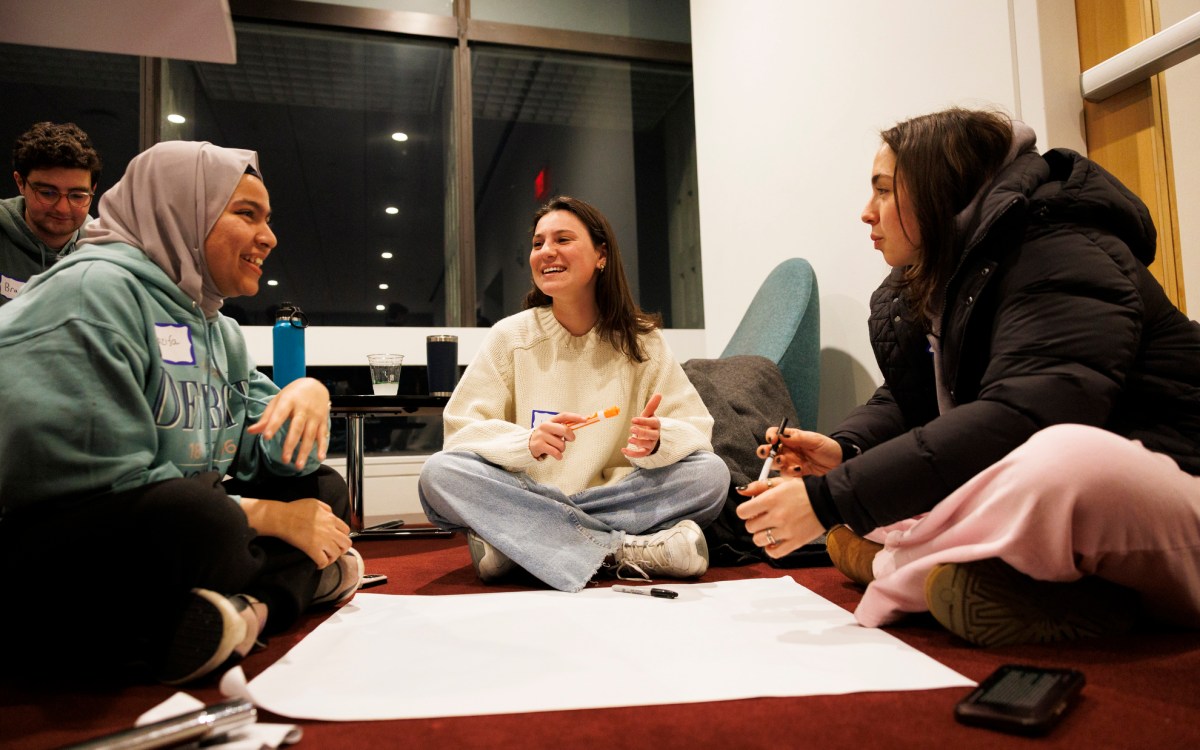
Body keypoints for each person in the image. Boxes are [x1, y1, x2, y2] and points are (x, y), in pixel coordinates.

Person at [735, 107, 1200, 647]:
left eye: (883, 190)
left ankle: (903, 561)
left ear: (939, 191)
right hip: (1106, 520)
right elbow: (913, 400)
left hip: (1180, 489)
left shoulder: (1061, 252)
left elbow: (1021, 419)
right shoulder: (947, 278)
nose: (867, 212)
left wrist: (829, 501)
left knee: (1064, 459)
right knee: (921, 481)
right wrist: (846, 450)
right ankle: (971, 572)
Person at [0, 141, 363, 685]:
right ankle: (289, 588)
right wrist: (263, 516)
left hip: (173, 522)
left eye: (268, 219)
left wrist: (309, 394)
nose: (270, 236)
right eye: (247, 214)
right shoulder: (91, 291)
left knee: (321, 488)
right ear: (179, 211)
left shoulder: (217, 327)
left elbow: (269, 454)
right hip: (50, 543)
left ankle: (243, 613)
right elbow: (91, 485)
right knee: (202, 520)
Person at [418, 196, 729, 592]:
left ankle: (520, 546)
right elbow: (461, 432)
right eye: (537, 243)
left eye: (562, 239)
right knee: (439, 475)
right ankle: (625, 551)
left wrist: (659, 441)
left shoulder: (643, 341)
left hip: (612, 494)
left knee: (710, 475)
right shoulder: (510, 337)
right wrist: (525, 442)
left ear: (601, 255)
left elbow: (698, 431)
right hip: (528, 491)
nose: (546, 251)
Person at [1, 121, 102, 306]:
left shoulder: (102, 251)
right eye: (48, 193)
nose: (62, 208)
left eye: (77, 196)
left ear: (93, 189)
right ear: (20, 183)